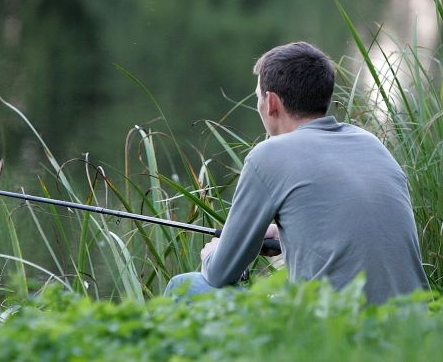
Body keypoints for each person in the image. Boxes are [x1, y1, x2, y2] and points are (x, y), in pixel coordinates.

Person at [164, 41, 428, 304]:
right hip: (410, 322)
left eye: (258, 97)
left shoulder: (269, 155)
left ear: (272, 103)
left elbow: (221, 273)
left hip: (334, 328)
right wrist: (283, 232)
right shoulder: (371, 144)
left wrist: (211, 254)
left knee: (184, 286)